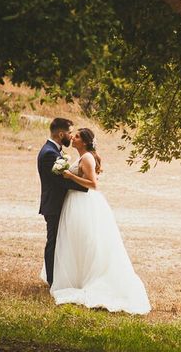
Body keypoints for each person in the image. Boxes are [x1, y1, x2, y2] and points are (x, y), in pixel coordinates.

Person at [48, 127, 151, 315]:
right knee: (77, 242)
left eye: (77, 136)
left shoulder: (87, 157)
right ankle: (78, 277)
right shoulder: (81, 157)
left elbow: (94, 184)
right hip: (74, 202)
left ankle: (92, 280)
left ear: (85, 142)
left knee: (89, 241)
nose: (73, 137)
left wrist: (69, 175)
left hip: (84, 203)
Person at [38, 118, 88, 287]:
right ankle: (52, 280)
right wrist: (86, 186)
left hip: (59, 203)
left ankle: (58, 277)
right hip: (53, 205)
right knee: (53, 242)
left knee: (60, 241)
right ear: (61, 134)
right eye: (70, 133)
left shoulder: (54, 150)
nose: (71, 136)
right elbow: (60, 181)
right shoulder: (49, 153)